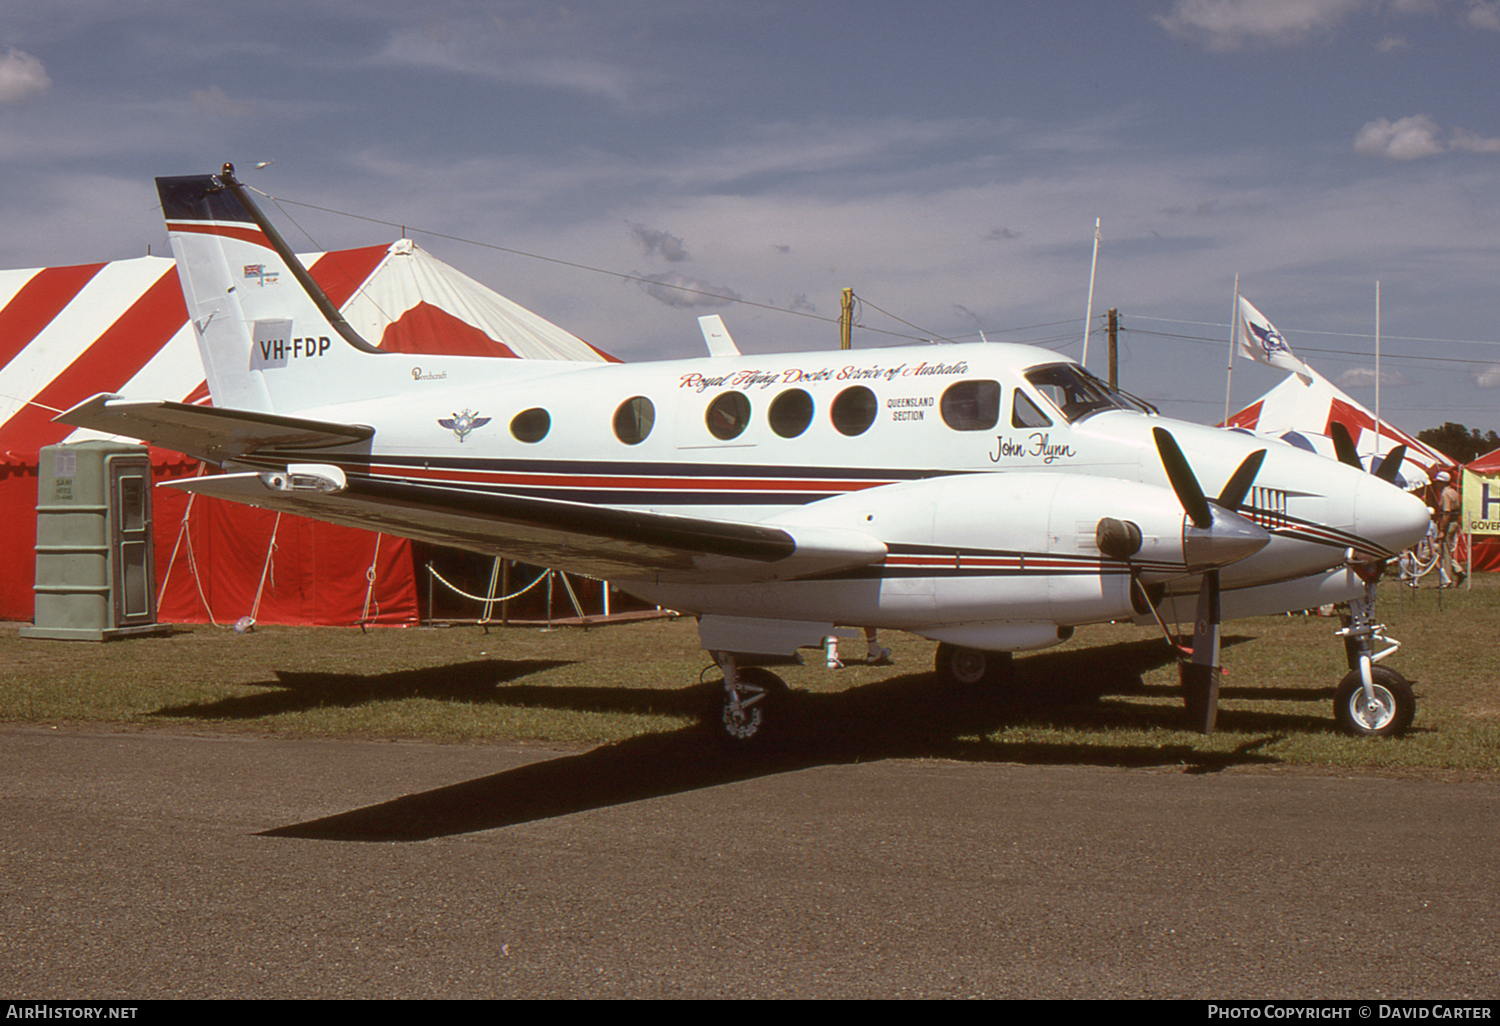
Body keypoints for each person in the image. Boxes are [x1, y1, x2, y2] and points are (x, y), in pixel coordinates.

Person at [1435, 470, 1462, 588]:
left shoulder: (1445, 494)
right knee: (1447, 550)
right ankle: (1458, 570)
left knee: (1445, 553)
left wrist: (1442, 529)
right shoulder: (1454, 492)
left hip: (1449, 523)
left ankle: (1448, 578)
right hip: (1455, 522)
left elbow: (1446, 512)